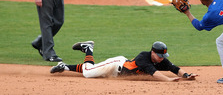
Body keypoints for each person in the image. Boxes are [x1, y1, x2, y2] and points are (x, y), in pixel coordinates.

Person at [50, 41, 198, 82]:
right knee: (88, 73)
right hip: (116, 66)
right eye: (159, 56)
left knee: (92, 69)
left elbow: (174, 68)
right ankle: (88, 48)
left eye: (163, 56)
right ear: (153, 52)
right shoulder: (143, 57)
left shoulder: (161, 60)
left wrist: (186, 76)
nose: (162, 59)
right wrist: (169, 81)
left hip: (116, 74)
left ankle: (64, 67)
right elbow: (155, 74)